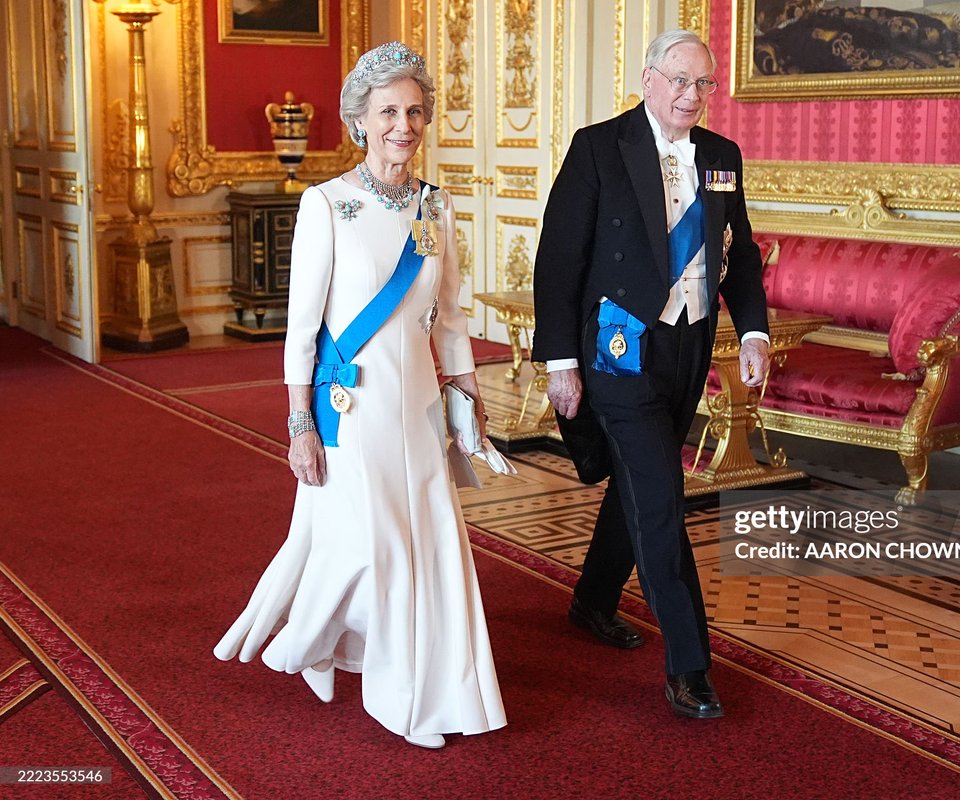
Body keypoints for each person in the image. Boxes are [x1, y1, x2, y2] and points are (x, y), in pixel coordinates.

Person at [214, 42, 506, 750]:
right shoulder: (327, 205)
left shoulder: (437, 206)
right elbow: (302, 329)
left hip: (418, 408)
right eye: (387, 112)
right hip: (350, 410)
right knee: (372, 550)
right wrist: (298, 427)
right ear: (361, 122)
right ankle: (375, 681)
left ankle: (428, 685)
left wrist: (467, 393)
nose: (402, 125)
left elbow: (451, 315)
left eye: (413, 111)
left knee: (429, 546)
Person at [532, 29, 770, 719]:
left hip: (686, 349)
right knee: (663, 497)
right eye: (678, 80)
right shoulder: (598, 147)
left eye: (703, 84)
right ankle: (689, 667)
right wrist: (561, 361)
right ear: (647, 79)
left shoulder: (721, 157)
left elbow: (741, 254)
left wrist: (752, 329)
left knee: (641, 479)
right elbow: (558, 261)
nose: (690, 95)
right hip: (618, 349)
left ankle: (593, 601)